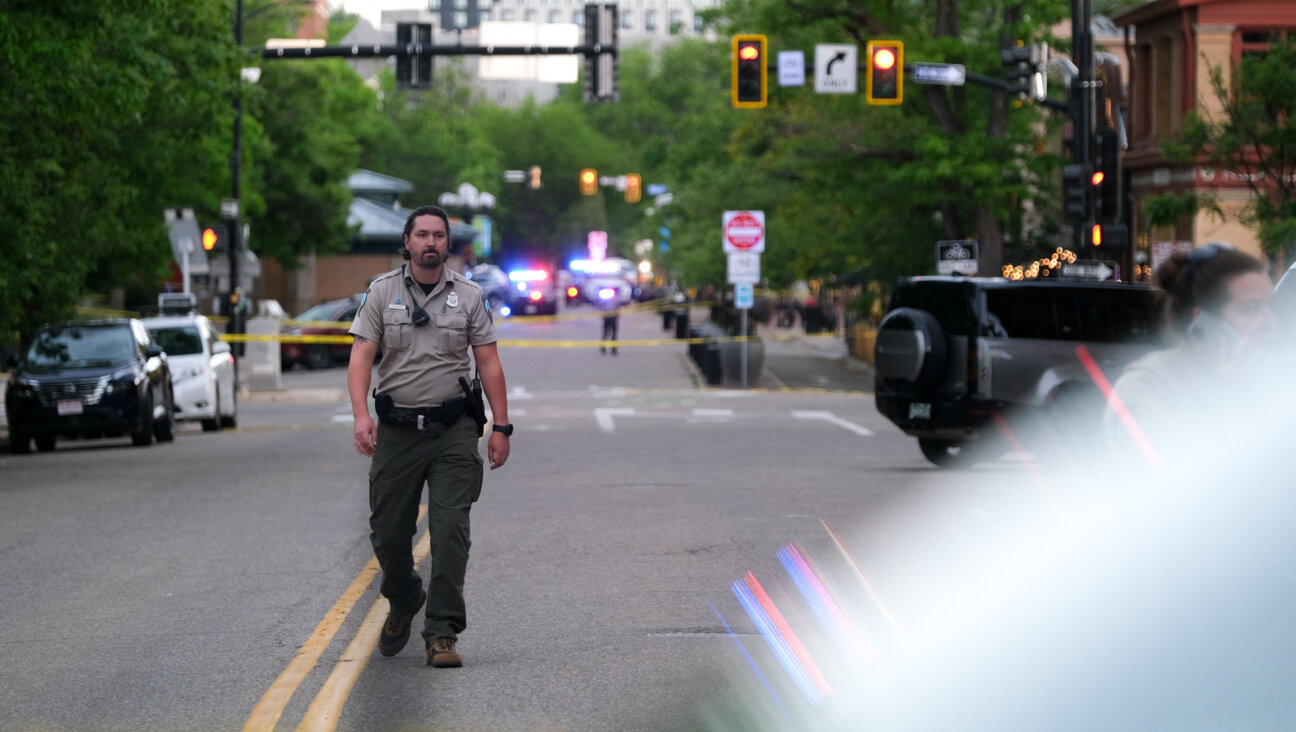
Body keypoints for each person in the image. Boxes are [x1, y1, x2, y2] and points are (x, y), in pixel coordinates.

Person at [346, 205, 512, 669]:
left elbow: (489, 363)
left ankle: (442, 632)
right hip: (397, 432)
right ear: (407, 242)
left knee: (450, 532)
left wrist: (501, 425)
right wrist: (361, 415)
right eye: (422, 235)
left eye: (438, 235)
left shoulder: (471, 296)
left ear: (448, 244)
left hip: (454, 431)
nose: (430, 243)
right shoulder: (381, 293)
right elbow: (361, 358)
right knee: (388, 535)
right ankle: (404, 597)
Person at [1103, 242, 1277, 465]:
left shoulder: (1272, 378)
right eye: (1252, 309)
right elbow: (1155, 480)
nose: (1269, 323)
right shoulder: (1144, 386)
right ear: (1203, 321)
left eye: (1270, 307)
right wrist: (1224, 399)